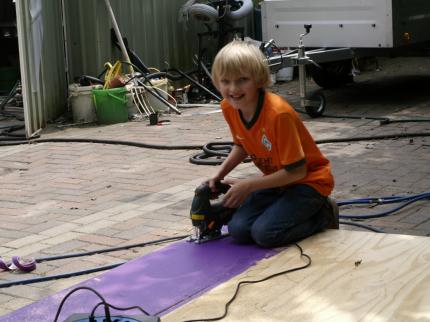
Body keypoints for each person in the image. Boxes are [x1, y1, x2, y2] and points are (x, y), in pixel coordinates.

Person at [208, 40, 338, 248]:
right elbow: (242, 145)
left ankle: (322, 214)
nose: (233, 89)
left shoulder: (278, 114)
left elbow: (297, 172)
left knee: (265, 234)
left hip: (308, 183)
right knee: (238, 230)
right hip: (277, 182)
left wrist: (249, 186)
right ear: (217, 81)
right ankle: (283, 209)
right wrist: (219, 174)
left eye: (242, 80)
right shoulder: (229, 107)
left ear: (258, 79)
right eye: (225, 81)